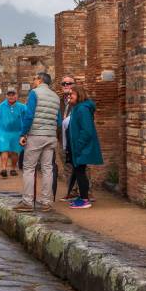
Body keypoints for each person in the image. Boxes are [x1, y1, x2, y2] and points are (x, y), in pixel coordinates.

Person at [16, 71, 62, 212]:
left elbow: (29, 116)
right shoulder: (56, 97)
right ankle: (46, 201)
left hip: (36, 135)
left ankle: (28, 202)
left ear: (40, 80)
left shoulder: (34, 93)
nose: (33, 81)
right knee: (47, 169)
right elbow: (59, 120)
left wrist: (23, 133)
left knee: (29, 168)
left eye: (35, 78)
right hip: (50, 136)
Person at [65, 81, 102, 209]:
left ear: (79, 94)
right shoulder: (78, 108)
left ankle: (85, 200)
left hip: (81, 147)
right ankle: (82, 197)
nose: (69, 97)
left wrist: (78, 146)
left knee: (80, 172)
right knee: (78, 171)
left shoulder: (82, 109)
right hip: (79, 147)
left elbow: (87, 130)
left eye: (72, 94)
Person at [0, 88, 28, 177]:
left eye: (13, 94)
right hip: (3, 132)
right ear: (6, 96)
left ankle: (13, 169)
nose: (11, 96)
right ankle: (4, 169)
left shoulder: (22, 107)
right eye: (9, 95)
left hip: (17, 132)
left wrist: (25, 132)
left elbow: (28, 118)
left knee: (15, 152)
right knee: (4, 150)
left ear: (16, 96)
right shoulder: (1, 106)